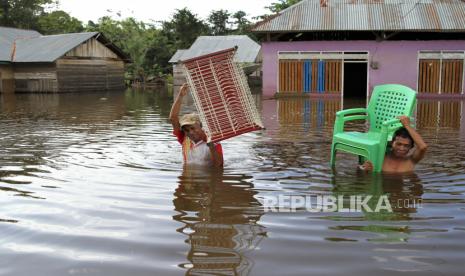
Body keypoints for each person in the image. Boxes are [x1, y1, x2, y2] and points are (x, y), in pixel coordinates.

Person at [169, 83, 223, 167]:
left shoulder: (213, 141)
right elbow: (173, 118)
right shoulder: (184, 139)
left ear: (200, 126)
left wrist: (211, 146)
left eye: (193, 128)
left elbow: (218, 166)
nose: (190, 132)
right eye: (186, 130)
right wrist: (180, 96)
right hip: (188, 178)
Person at [360, 115, 427, 173]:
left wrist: (407, 125)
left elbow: (423, 147)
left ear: (411, 147)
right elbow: (363, 173)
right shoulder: (380, 158)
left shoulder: (412, 160)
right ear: (392, 143)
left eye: (406, 146)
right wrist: (365, 170)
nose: (402, 148)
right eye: (398, 144)